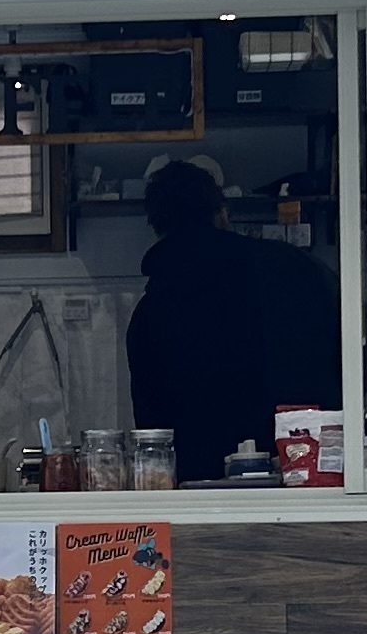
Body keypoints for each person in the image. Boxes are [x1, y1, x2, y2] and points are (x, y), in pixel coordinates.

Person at [124, 157, 340, 480]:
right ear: (221, 213)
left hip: (198, 488)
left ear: (157, 228)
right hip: (301, 470)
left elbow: (154, 436)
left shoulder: (149, 315)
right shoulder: (294, 269)